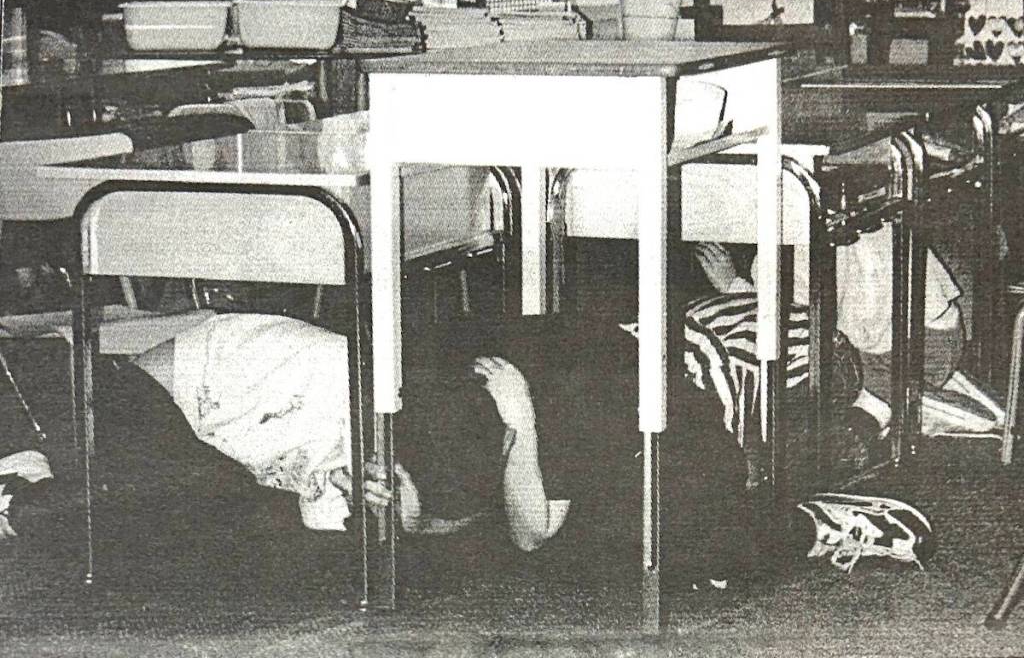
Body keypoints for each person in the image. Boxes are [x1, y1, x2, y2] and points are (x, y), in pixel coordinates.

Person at [1, 311, 933, 580]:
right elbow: (509, 523)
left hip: (606, 408)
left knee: (666, 542)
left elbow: (525, 530)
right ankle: (37, 488)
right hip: (575, 385)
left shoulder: (621, 411)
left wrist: (514, 435)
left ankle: (819, 516)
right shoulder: (566, 372)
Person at [692, 228, 998, 448]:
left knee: (834, 420)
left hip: (906, 350)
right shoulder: (837, 200)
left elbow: (800, 331)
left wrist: (732, 286)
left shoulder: (791, 248)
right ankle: (925, 383)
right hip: (935, 335)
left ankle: (913, 401)